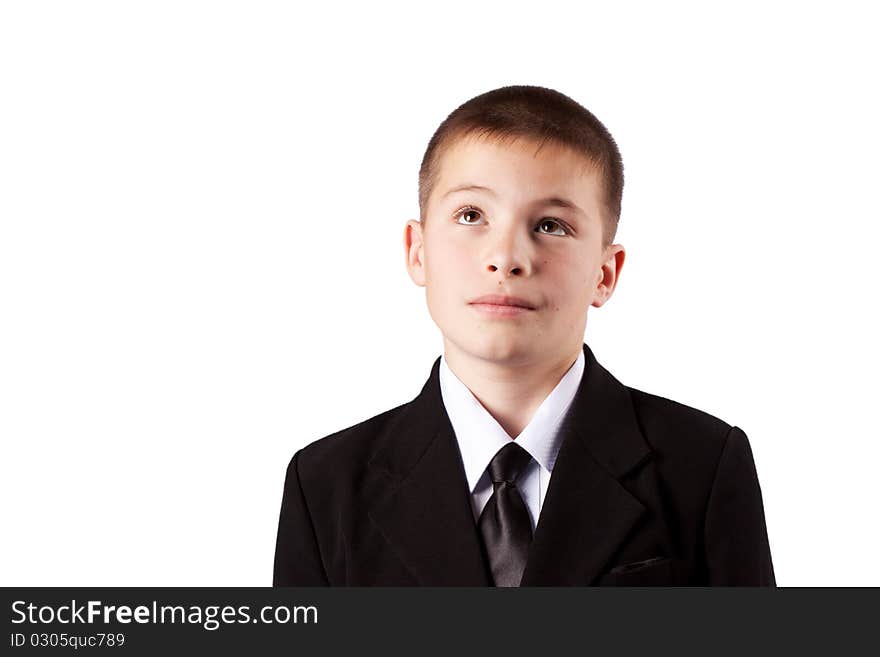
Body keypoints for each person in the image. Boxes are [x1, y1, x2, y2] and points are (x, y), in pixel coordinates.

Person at [273, 85, 776, 586]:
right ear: (418, 251)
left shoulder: (703, 466)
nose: (507, 257)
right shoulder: (325, 485)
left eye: (551, 225)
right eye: (471, 215)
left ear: (605, 272)